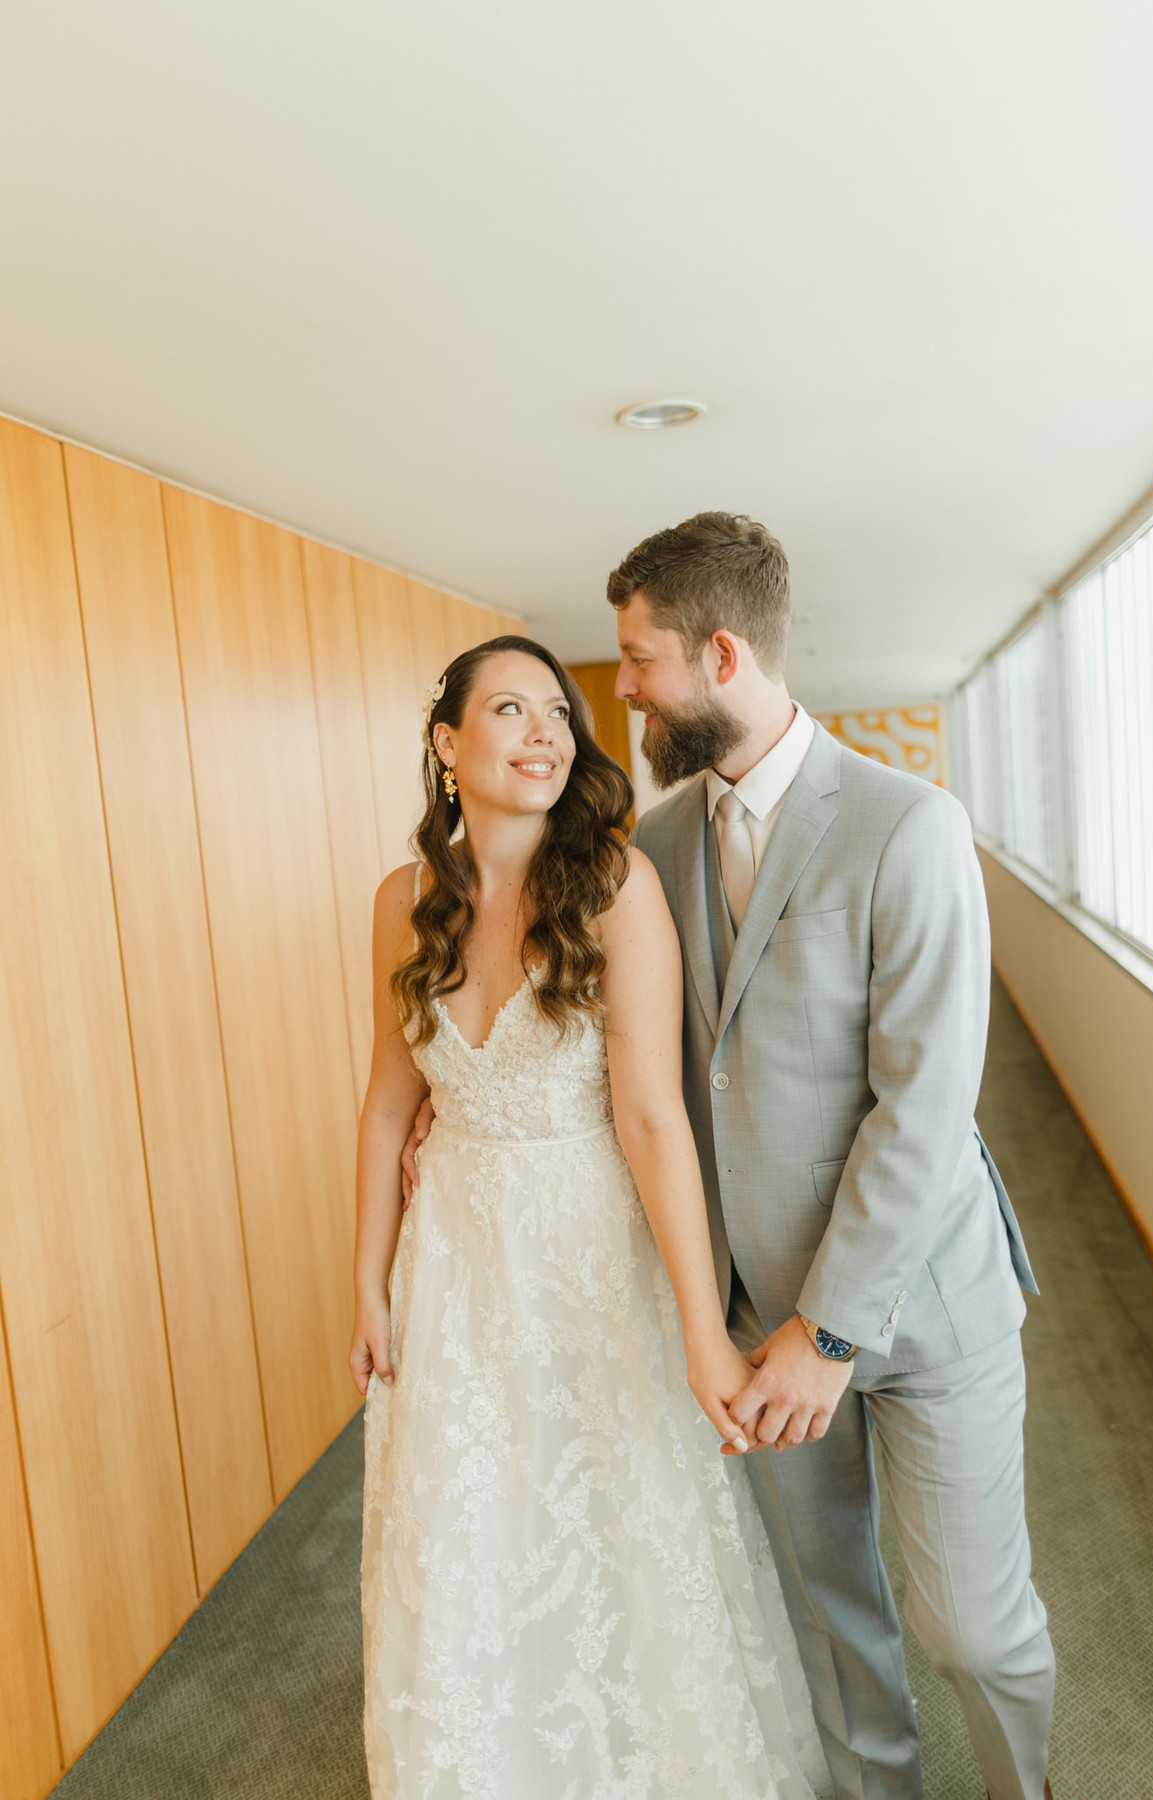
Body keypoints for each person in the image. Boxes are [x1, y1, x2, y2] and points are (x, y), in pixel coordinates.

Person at [605, 512, 1056, 1800]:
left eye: (639, 658)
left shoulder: (909, 825)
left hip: (924, 1306)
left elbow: (926, 1106)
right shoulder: (656, 848)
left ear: (722, 654)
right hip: (755, 1314)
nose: (623, 687)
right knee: (833, 1622)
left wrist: (833, 1328)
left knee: (974, 1629)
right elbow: (644, 1067)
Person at [350, 636, 833, 1799]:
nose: (547, 734)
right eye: (510, 711)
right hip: (452, 1258)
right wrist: (365, 1280)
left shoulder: (614, 888)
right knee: (465, 1520)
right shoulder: (401, 901)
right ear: (447, 742)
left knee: (612, 1509)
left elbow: (654, 1120)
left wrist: (702, 1329)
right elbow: (386, 1102)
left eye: (558, 713)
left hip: (586, 1249)